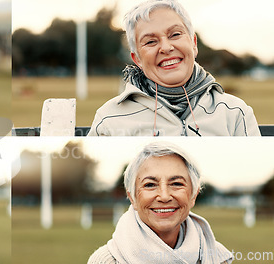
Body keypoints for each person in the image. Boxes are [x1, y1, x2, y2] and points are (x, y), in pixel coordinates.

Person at [88, 0, 260, 136]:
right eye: (150, 41)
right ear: (137, 59)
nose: (166, 47)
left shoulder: (235, 112)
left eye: (175, 34)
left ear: (193, 43)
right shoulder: (109, 119)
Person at [87, 142, 233, 264]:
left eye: (176, 183)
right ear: (132, 198)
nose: (164, 196)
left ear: (193, 195)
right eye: (150, 185)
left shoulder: (216, 257)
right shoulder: (106, 261)